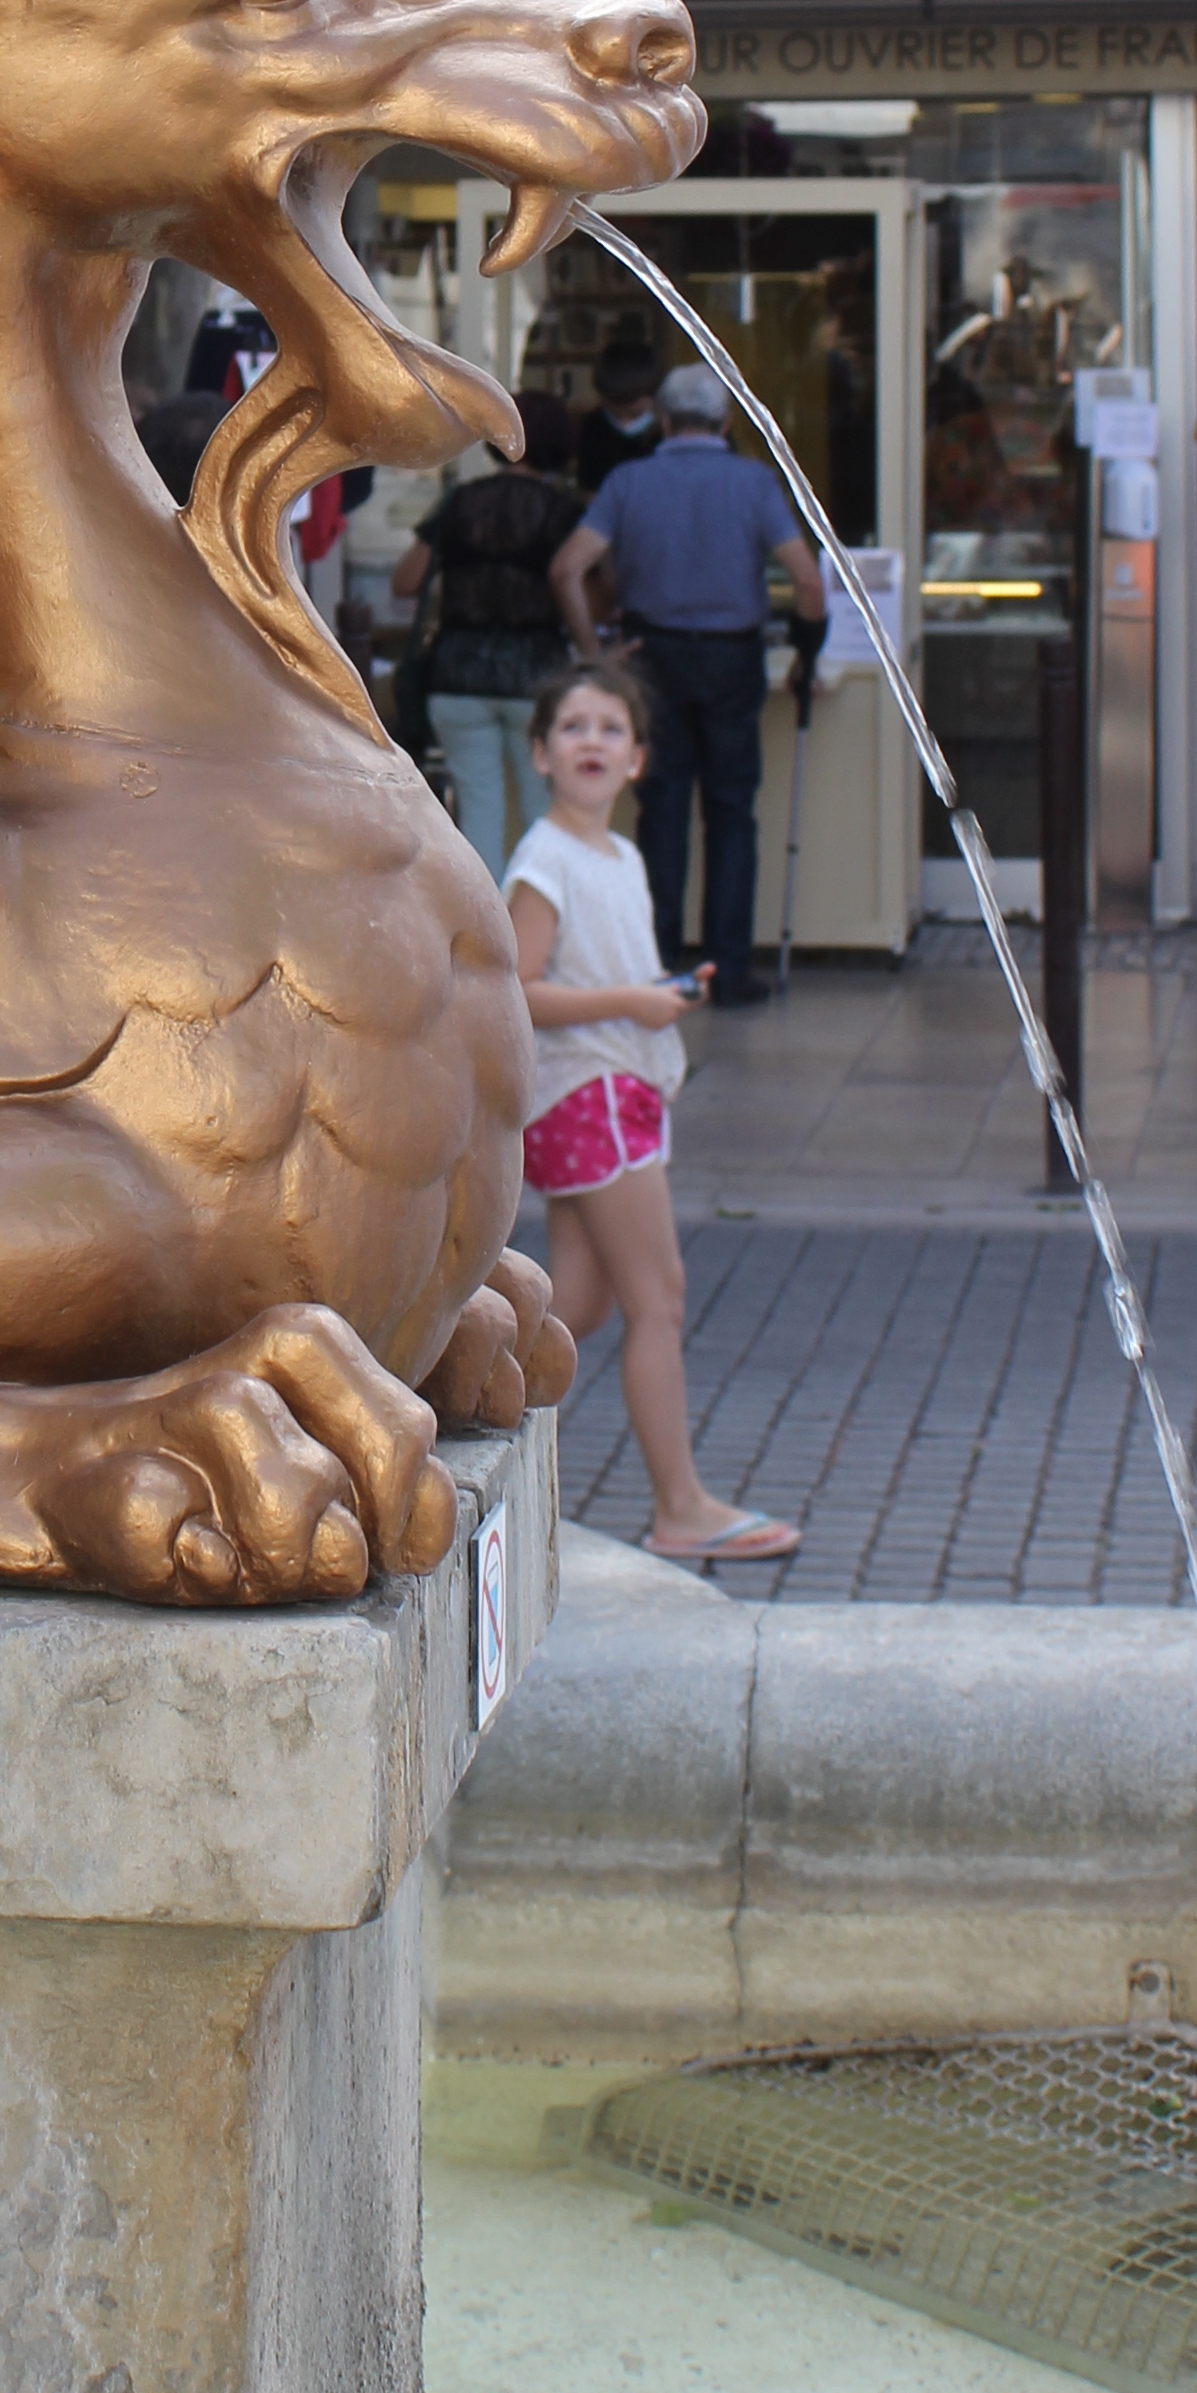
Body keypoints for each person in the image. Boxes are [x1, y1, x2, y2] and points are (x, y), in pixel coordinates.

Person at [506, 655, 799, 1565]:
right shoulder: (544, 861)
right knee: (658, 1300)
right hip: (587, 1093)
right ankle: (681, 1507)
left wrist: (652, 994)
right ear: (540, 753)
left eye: (610, 728)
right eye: (573, 727)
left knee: (576, 1307)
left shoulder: (618, 854)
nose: (592, 740)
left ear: (637, 758)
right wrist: (632, 1003)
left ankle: (444, 1403)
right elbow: (515, 991)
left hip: (610, 1089)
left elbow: (597, 977)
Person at [551, 364, 825, 1007]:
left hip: (651, 659)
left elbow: (568, 568)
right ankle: (729, 970)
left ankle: (660, 963)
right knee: (732, 813)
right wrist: (807, 654)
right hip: (732, 659)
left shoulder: (628, 481)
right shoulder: (755, 484)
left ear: (664, 420)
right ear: (727, 422)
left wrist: (595, 657)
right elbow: (809, 583)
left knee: (661, 812)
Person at [389, 387, 581, 877]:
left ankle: (487, 942)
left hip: (458, 673)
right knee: (544, 812)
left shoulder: (460, 503)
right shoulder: (561, 511)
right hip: (537, 675)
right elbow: (582, 586)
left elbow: (407, 580)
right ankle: (546, 937)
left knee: (478, 814)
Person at [573, 334, 667, 498]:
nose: (624, 419)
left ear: (652, 394)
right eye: (615, 410)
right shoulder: (592, 427)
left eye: (632, 411)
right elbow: (588, 489)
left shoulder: (670, 429)